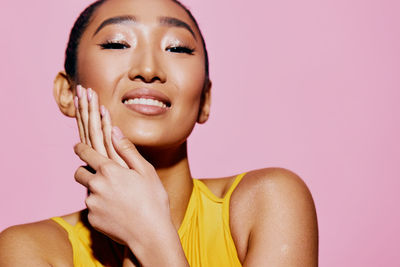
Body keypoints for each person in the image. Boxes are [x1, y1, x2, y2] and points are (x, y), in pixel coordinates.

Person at [0, 0, 318, 266]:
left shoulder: (268, 202)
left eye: (177, 48)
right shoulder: (31, 250)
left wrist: (149, 236)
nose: (149, 69)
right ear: (67, 92)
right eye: (117, 43)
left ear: (205, 100)